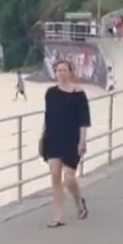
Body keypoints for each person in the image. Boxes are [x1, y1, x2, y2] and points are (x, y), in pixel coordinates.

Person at [39, 59, 91, 228]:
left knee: (69, 177)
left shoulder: (79, 94)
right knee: (55, 176)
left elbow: (84, 120)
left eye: (64, 70)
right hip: (53, 137)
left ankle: (78, 202)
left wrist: (82, 141)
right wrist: (42, 137)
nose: (60, 73)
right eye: (58, 70)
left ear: (70, 72)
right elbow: (48, 117)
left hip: (72, 138)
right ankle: (58, 215)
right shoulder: (50, 93)